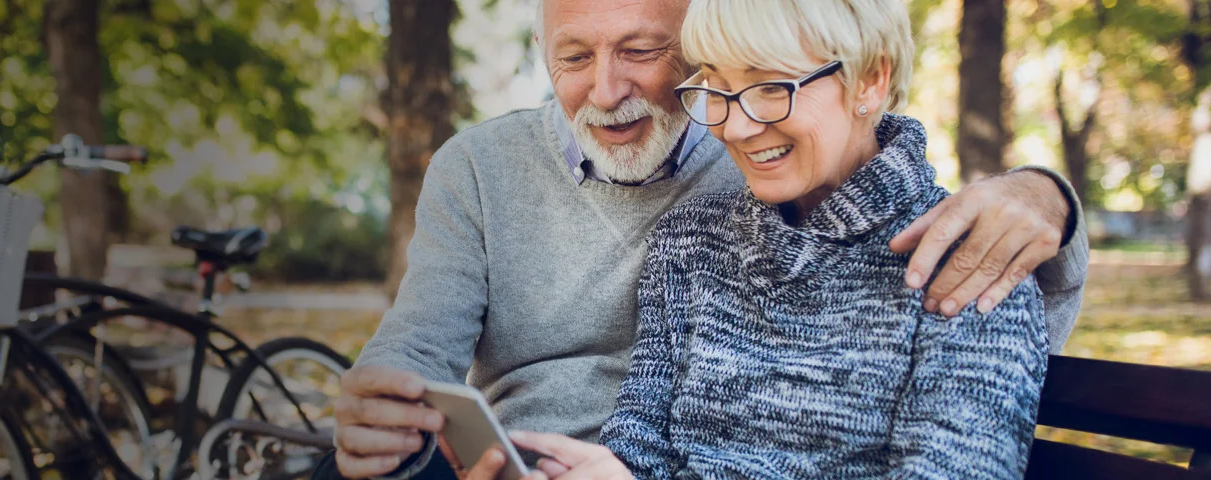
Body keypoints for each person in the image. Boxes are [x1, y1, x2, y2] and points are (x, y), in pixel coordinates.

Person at [323, 0, 1089, 478]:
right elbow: (639, 450)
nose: (737, 123)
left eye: (768, 86)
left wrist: (1048, 192)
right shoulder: (696, 238)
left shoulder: (959, 261)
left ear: (871, 80)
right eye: (717, 89)